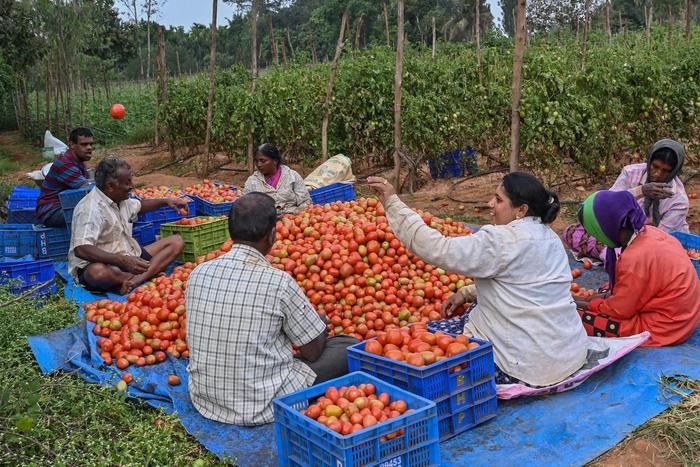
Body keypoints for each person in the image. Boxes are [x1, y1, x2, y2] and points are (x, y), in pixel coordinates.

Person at [368, 172, 589, 388]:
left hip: (525, 366)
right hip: (569, 355)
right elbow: (524, 284)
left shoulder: (500, 240)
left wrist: (393, 203)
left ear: (521, 210)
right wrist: (466, 293)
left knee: (424, 340)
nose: (490, 203)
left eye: (499, 200)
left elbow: (439, 248)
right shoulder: (550, 237)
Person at [185, 192, 357, 425]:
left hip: (206, 400)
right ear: (273, 235)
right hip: (263, 404)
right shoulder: (279, 282)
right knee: (348, 346)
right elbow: (312, 352)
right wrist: (321, 326)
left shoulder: (197, 274)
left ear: (230, 231)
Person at [573, 190, 699, 346]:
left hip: (664, 328)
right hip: (685, 317)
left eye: (595, 232)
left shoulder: (634, 258)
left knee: (575, 317)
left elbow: (620, 310)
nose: (596, 238)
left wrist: (582, 303)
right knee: (608, 291)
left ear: (606, 227)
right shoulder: (651, 232)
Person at [69, 158, 187, 295]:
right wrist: (121, 261)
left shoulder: (121, 199)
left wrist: (166, 201)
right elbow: (81, 249)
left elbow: (140, 205)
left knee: (176, 241)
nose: (132, 186)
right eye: (127, 183)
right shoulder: (90, 209)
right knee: (98, 273)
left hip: (128, 255)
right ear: (110, 186)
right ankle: (147, 275)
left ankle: (135, 281)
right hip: (105, 263)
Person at [563, 139, 690, 262]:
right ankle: (618, 256)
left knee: (655, 254)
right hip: (624, 234)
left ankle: (618, 257)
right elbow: (607, 205)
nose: (657, 174)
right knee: (572, 232)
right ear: (649, 160)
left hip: (656, 243)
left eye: (665, 171)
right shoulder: (631, 173)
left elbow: (661, 237)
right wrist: (641, 191)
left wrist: (634, 242)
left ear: (674, 172)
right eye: (655, 166)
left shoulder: (678, 200)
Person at [36, 127, 94, 227]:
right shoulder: (65, 164)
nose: (89, 148)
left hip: (64, 206)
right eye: (84, 144)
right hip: (52, 212)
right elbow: (88, 188)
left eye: (91, 144)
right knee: (96, 214)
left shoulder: (78, 162)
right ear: (71, 145)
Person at [242, 143, 311, 216]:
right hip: (264, 222)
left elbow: (305, 201)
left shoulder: (292, 176)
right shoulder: (252, 181)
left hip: (292, 221)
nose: (259, 165)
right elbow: (245, 206)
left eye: (263, 161)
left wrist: (297, 215)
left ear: (275, 161)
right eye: (256, 161)